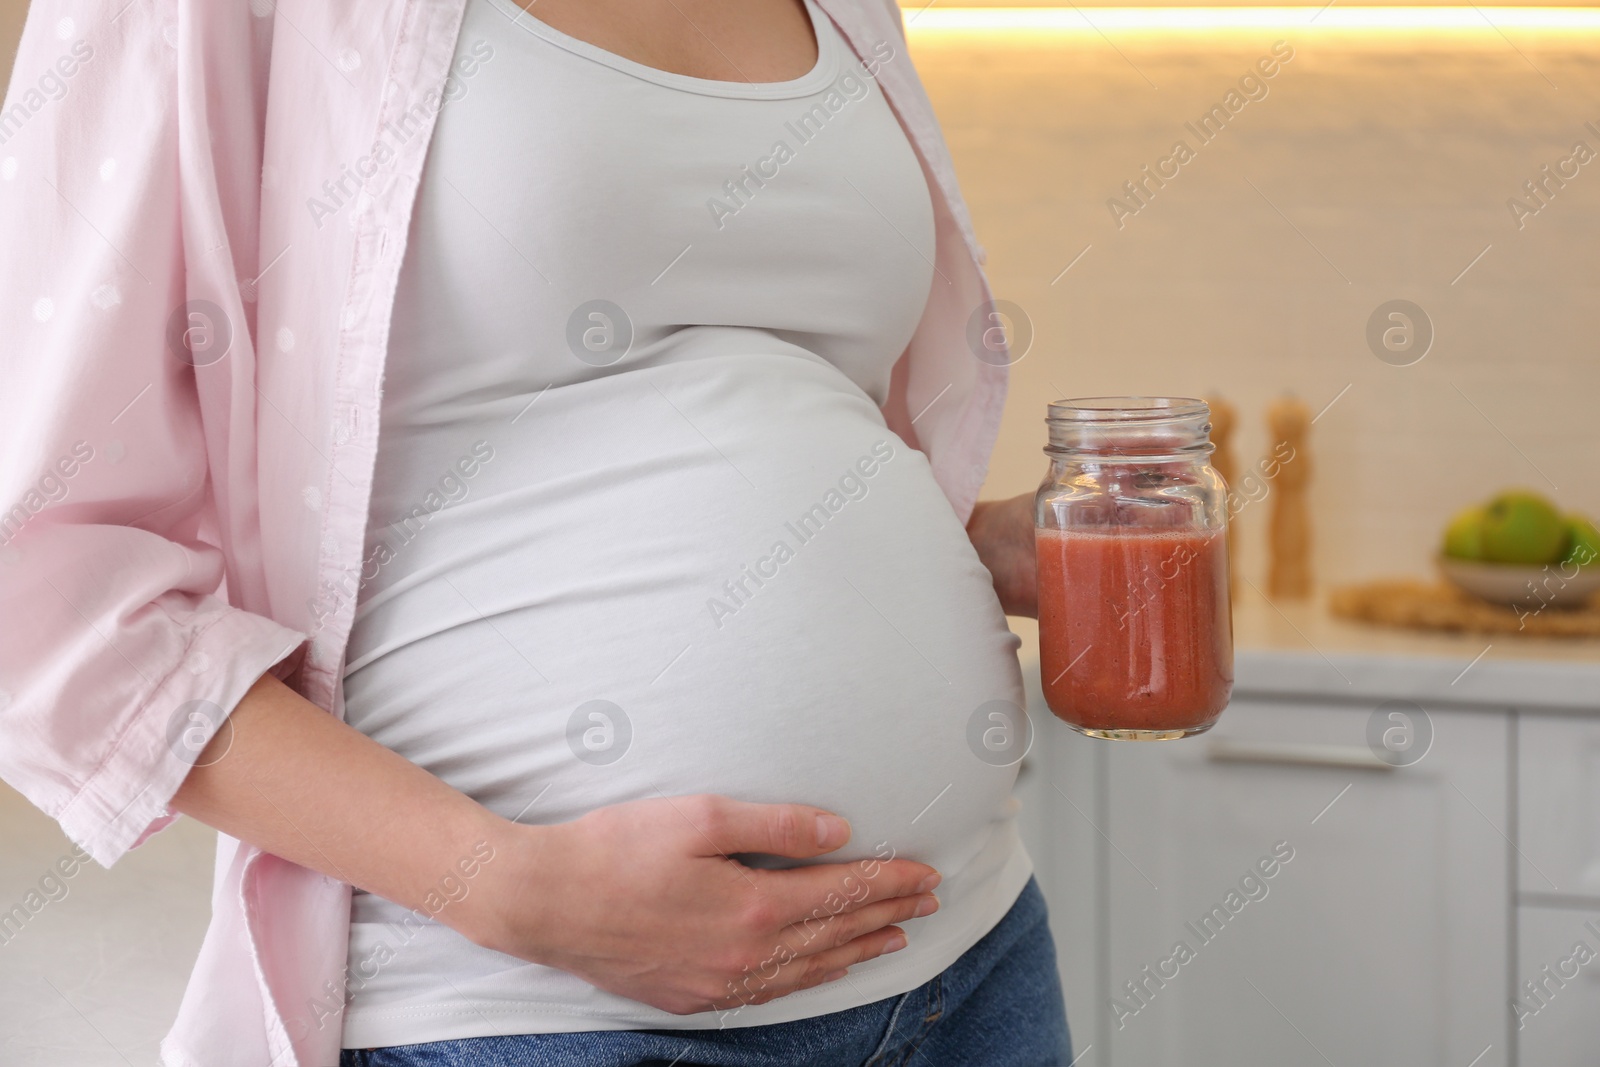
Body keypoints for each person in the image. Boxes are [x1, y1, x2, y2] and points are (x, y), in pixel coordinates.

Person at [0, 0, 1071, 1063]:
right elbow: (38, 583)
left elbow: (743, 427)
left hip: (970, 961)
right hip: (535, 1011)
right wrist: (498, 883)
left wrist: (975, 545)